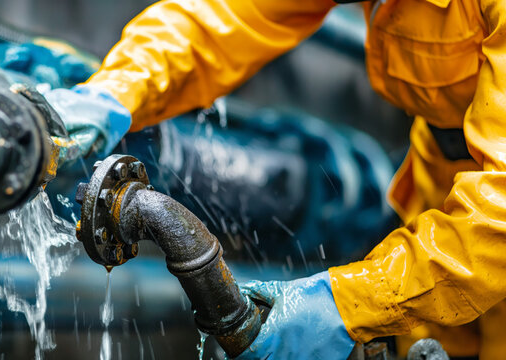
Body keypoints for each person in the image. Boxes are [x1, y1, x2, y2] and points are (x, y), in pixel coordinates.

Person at [38, 0, 506, 358]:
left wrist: (346, 305)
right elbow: (225, 17)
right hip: (438, 204)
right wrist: (112, 93)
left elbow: (500, 218)